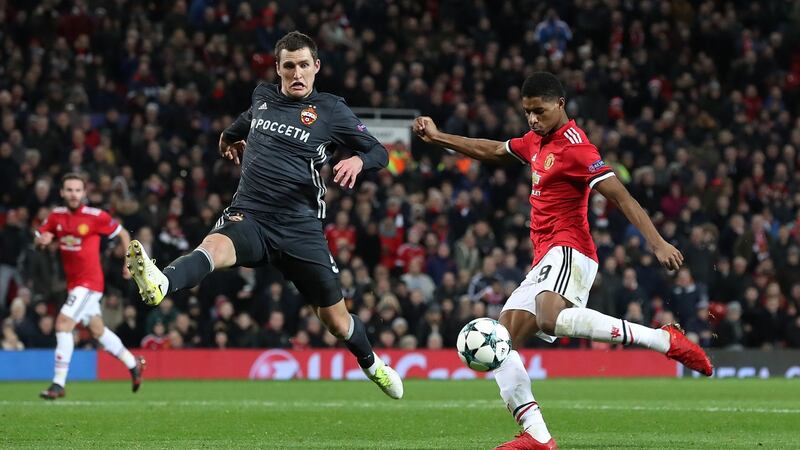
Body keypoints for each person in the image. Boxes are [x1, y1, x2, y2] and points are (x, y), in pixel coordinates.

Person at [414, 72, 712, 450]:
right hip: (545, 257)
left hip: (571, 249)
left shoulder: (577, 149)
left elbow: (621, 196)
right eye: (527, 112)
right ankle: (538, 437)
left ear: (560, 104)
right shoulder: (535, 142)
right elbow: (491, 150)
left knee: (549, 317)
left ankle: (660, 339)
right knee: (502, 342)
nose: (533, 119)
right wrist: (439, 138)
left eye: (539, 111)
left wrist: (656, 243)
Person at [126, 31, 402, 399]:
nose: (297, 73)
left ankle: (373, 365)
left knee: (336, 321)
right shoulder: (263, 97)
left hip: (301, 228)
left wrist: (357, 158)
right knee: (214, 246)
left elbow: (380, 152)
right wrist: (227, 139)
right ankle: (162, 283)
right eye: (289, 66)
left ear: (316, 67)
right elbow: (238, 127)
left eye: (304, 65)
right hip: (252, 215)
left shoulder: (331, 110)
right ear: (278, 69)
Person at [35, 173, 144, 400]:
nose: (74, 194)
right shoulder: (56, 216)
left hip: (90, 284)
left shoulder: (96, 217)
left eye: (77, 190)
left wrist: (128, 261)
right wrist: (41, 241)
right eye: (69, 190)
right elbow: (42, 236)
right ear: (62, 192)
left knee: (63, 323)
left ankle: (58, 383)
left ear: (84, 193)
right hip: (74, 284)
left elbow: (123, 233)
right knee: (97, 330)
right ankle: (133, 363)